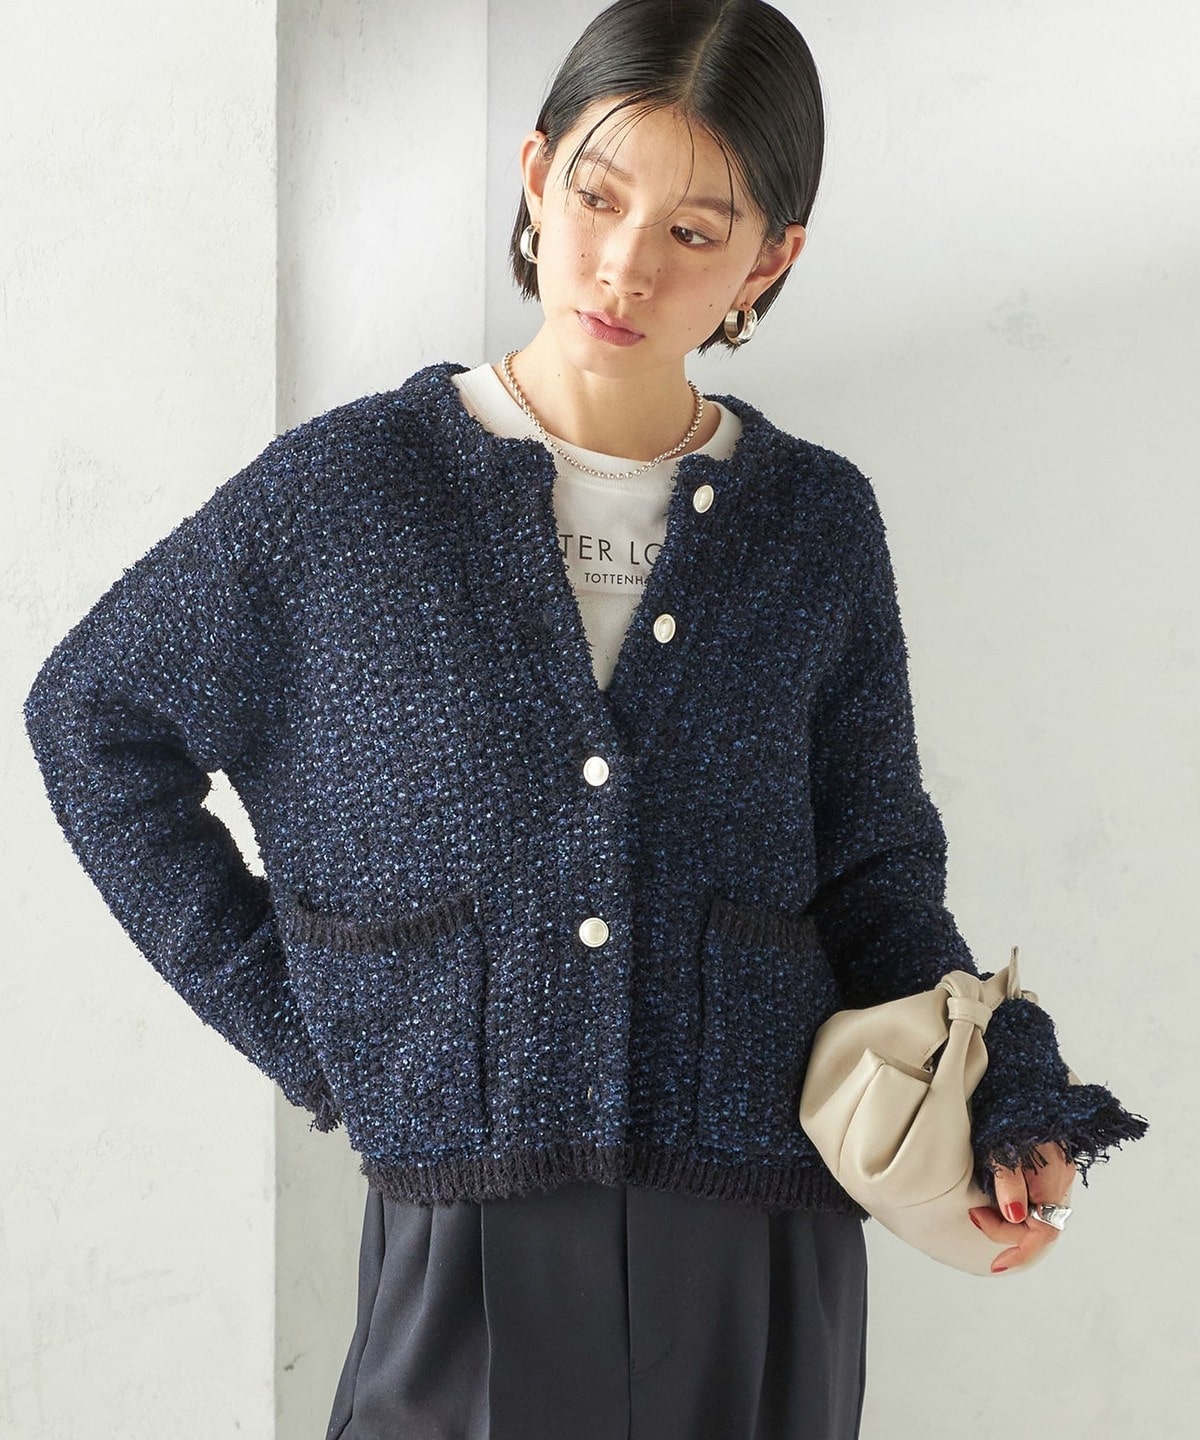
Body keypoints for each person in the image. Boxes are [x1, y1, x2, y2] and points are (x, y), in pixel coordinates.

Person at [23, 2, 1146, 1437]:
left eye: (694, 230)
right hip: (466, 1216)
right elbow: (93, 718)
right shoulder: (347, 494)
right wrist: (304, 1028)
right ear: (536, 174)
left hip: (759, 1235)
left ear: (770, 260)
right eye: (598, 196)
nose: (624, 264)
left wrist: (1008, 1102)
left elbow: (876, 877)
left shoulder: (815, 524)